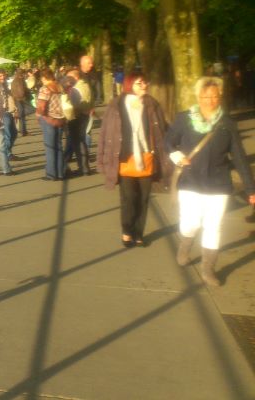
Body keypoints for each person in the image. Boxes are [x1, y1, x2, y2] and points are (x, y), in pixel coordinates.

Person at [165, 76, 255, 286]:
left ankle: (208, 269)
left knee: (213, 226)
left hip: (218, 184)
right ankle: (186, 244)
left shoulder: (227, 124)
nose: (210, 100)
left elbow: (240, 157)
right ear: (198, 97)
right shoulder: (184, 119)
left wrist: (251, 189)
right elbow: (168, 142)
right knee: (191, 222)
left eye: (215, 96)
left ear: (220, 97)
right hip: (190, 182)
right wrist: (177, 156)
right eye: (206, 96)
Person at [97, 73, 171, 248]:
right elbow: (105, 133)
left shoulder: (152, 104)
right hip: (124, 157)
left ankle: (139, 233)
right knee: (129, 197)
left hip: (147, 156)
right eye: (139, 83)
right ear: (130, 85)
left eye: (145, 82)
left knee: (144, 197)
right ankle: (127, 230)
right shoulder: (116, 105)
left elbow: (163, 129)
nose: (144, 85)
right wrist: (101, 158)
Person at [36, 68, 66, 180]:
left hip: (49, 119)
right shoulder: (59, 86)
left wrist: (38, 116)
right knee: (58, 146)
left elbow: (42, 106)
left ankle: (51, 174)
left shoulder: (45, 89)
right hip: (61, 118)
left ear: (43, 78)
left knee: (50, 147)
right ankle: (60, 173)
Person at [0, 69, 18, 158]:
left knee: (14, 133)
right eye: (0, 76)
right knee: (8, 134)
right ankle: (7, 154)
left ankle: (7, 152)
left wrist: (15, 109)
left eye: (3, 75)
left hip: (8, 112)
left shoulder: (4, 85)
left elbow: (9, 98)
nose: (2, 77)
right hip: (2, 113)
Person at [11, 68, 32, 136]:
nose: (25, 75)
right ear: (22, 73)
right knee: (31, 110)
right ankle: (23, 131)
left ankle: (23, 131)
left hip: (16, 99)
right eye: (24, 73)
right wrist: (26, 93)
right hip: (21, 99)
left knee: (22, 115)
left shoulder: (14, 80)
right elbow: (21, 92)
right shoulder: (20, 80)